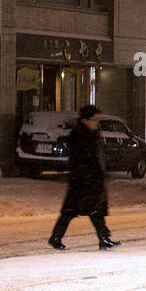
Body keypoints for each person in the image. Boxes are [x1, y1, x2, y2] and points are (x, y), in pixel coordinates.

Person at [48, 105, 120, 250]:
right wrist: (90, 174)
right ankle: (57, 237)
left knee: (93, 210)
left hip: (89, 179)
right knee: (79, 211)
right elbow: (82, 159)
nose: (96, 122)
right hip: (83, 180)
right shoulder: (80, 136)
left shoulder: (91, 134)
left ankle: (103, 238)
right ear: (85, 120)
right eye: (94, 120)